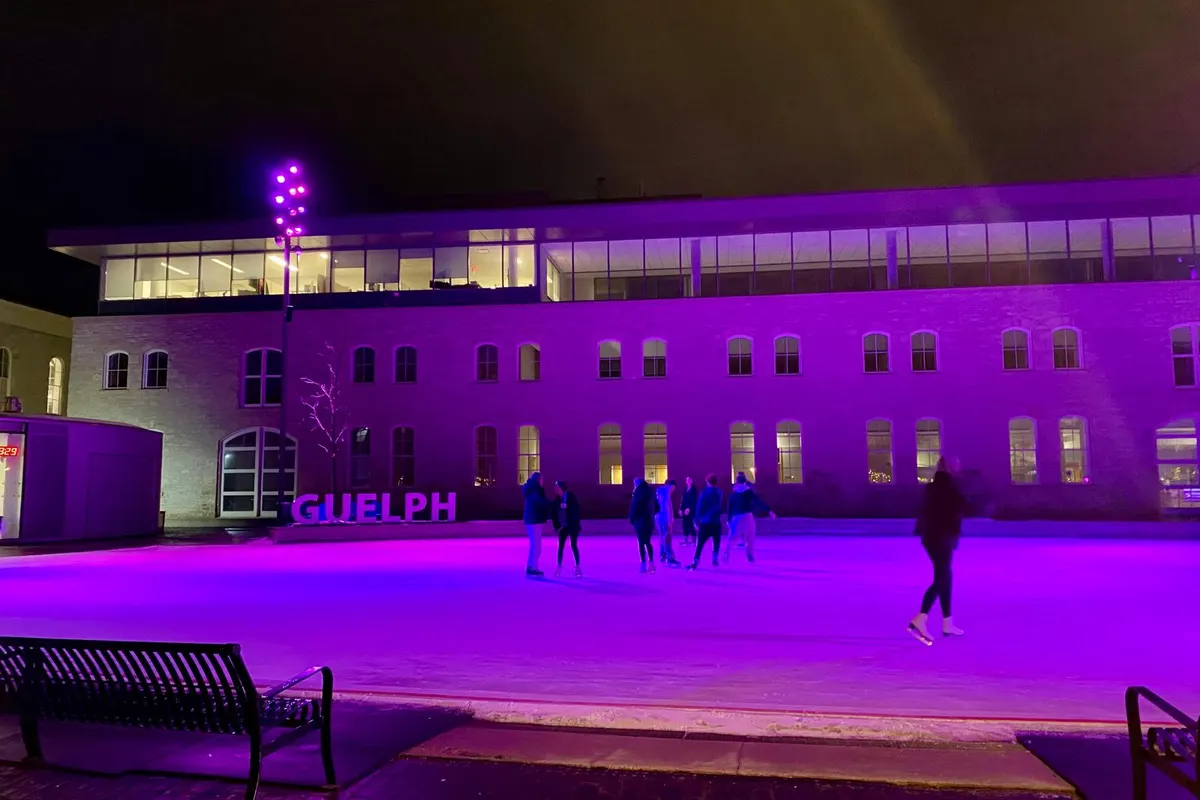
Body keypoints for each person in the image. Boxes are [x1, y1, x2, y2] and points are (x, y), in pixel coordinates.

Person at [908, 457, 967, 645]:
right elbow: (958, 507)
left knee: (944, 577)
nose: (959, 467)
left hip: (933, 537)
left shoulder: (936, 486)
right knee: (943, 578)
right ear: (950, 468)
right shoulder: (948, 486)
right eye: (956, 464)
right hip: (940, 537)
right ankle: (921, 617)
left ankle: (947, 622)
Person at [724, 472, 776, 563]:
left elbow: (729, 507)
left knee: (732, 536)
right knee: (750, 537)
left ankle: (727, 553)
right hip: (747, 515)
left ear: (736, 482)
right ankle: (750, 555)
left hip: (736, 517)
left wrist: (728, 519)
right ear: (745, 481)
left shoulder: (733, 494)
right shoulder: (748, 492)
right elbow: (758, 501)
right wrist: (769, 510)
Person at [687, 474, 723, 570]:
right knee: (716, 540)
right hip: (716, 521)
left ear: (707, 482)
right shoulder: (719, 492)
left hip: (705, 521)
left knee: (700, 542)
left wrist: (696, 520)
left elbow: (700, 506)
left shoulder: (704, 492)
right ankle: (715, 557)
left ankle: (696, 560)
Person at [521, 471, 551, 576]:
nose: (543, 482)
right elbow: (542, 503)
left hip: (532, 520)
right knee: (536, 546)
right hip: (535, 520)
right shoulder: (536, 491)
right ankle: (532, 567)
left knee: (535, 545)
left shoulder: (531, 490)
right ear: (538, 480)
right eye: (542, 479)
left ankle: (531, 566)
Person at [552, 480, 583, 578]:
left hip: (572, 526)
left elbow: (576, 511)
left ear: (561, 488)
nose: (555, 488)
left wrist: (574, 523)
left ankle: (577, 567)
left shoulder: (571, 497)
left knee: (573, 545)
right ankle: (559, 567)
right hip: (562, 527)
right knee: (560, 547)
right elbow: (554, 514)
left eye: (557, 487)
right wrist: (557, 526)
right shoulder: (556, 500)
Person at [629, 477, 657, 573]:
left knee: (641, 543)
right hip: (649, 521)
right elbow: (657, 507)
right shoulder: (650, 492)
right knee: (648, 542)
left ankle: (643, 563)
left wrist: (632, 519)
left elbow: (634, 507)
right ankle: (652, 563)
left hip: (640, 522)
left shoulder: (637, 493)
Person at [655, 479, 682, 566]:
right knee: (667, 539)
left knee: (662, 537)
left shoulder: (658, 492)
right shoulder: (667, 494)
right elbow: (668, 509)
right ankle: (670, 558)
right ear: (672, 486)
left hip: (658, 517)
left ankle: (662, 555)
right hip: (665, 518)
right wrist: (670, 522)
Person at [679, 476, 699, 545]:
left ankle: (694, 540)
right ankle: (686, 540)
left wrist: (689, 508)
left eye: (689, 480)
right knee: (685, 525)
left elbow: (695, 500)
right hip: (685, 511)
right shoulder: (685, 490)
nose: (688, 481)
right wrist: (681, 509)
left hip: (691, 511)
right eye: (687, 480)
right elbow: (682, 500)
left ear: (692, 481)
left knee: (692, 525)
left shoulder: (694, 490)